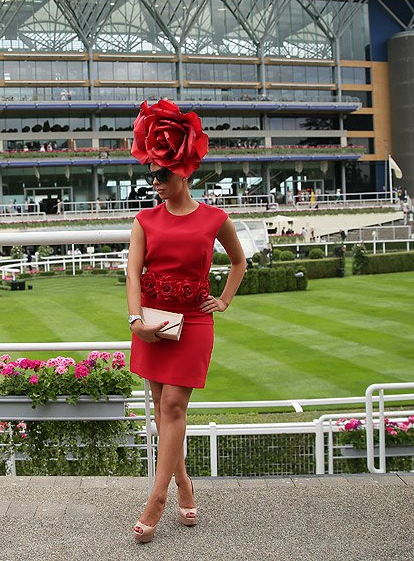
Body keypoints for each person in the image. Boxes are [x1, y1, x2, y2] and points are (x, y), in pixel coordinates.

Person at [126, 99, 246, 543]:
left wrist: (225, 300)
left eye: (163, 174)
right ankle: (183, 484)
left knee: (173, 407)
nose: (155, 182)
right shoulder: (144, 220)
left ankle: (155, 501)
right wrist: (136, 321)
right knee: (162, 411)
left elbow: (239, 262)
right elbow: (132, 274)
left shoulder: (215, 219)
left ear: (185, 172)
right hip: (153, 324)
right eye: (151, 174)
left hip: (194, 322)